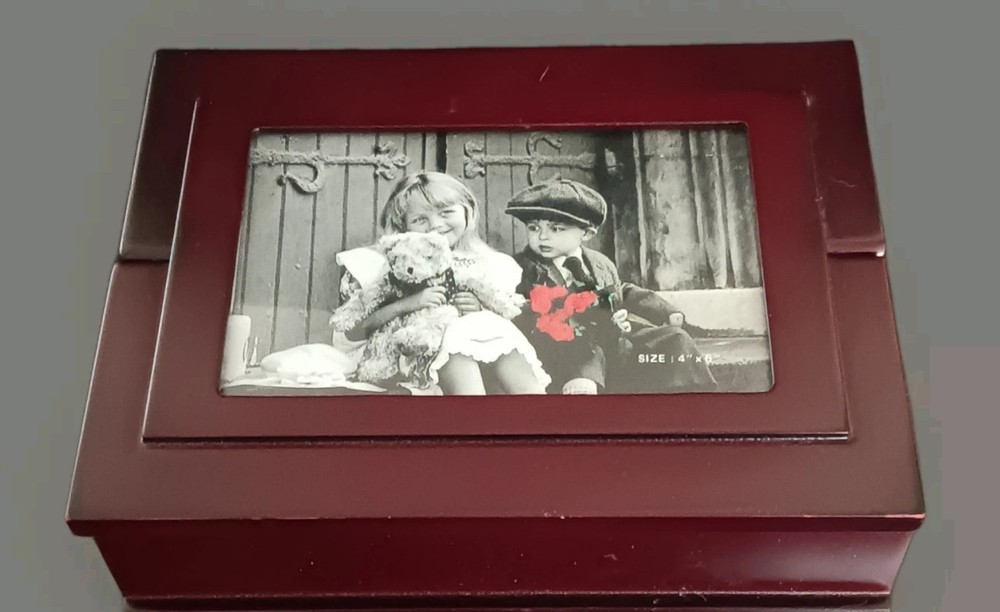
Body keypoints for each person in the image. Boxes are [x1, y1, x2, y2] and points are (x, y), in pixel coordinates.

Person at [332, 171, 550, 395]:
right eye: (420, 219)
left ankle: (536, 411)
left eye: (446, 212)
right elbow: (349, 336)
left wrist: (480, 309)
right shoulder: (390, 265)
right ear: (403, 224)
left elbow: (512, 315)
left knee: (491, 329)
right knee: (456, 337)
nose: (436, 225)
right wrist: (408, 304)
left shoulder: (492, 264)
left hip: (486, 363)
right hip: (410, 354)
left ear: (468, 211)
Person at [505, 179, 718, 395]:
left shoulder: (598, 262)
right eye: (533, 228)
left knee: (675, 339)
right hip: (563, 349)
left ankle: (695, 401)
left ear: (587, 234)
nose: (542, 236)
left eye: (556, 229)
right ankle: (583, 388)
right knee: (588, 347)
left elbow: (620, 289)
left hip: (615, 342)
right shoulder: (521, 268)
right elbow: (520, 309)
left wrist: (665, 310)